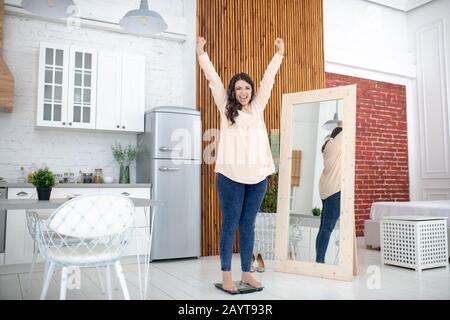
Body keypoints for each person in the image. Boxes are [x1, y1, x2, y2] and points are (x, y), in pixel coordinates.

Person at [197, 36, 284, 292]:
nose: (243, 93)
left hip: (258, 177)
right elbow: (213, 79)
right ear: (233, 92)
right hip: (231, 176)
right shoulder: (226, 108)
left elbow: (269, 80)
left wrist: (278, 54)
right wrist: (202, 54)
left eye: (247, 88)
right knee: (229, 224)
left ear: (251, 90)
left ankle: (246, 273)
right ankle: (226, 274)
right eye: (238, 89)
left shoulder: (258, 108)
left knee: (248, 225)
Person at [316, 125, 343, 263]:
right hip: (335, 191)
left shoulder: (328, 145)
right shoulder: (335, 143)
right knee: (327, 229)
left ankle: (319, 261)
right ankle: (320, 262)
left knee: (323, 229)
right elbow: (347, 128)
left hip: (326, 190)